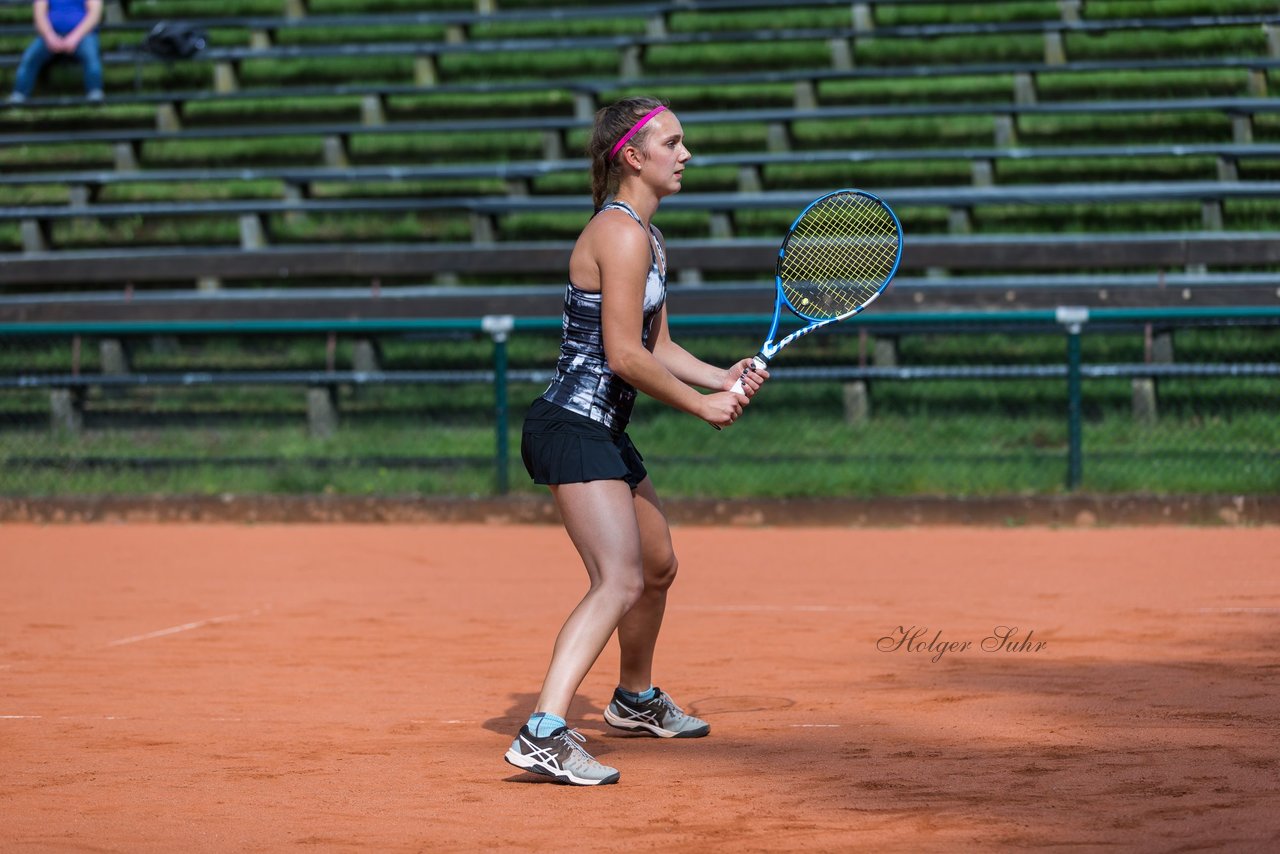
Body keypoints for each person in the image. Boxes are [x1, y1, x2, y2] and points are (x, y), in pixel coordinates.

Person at [502, 97, 769, 786]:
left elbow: (659, 345)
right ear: (634, 156)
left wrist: (722, 375)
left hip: (601, 428)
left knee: (656, 566)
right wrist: (701, 407)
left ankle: (633, 700)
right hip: (571, 425)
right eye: (673, 144)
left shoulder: (648, 238)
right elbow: (623, 356)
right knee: (617, 578)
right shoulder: (617, 234)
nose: (685, 156)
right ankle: (544, 730)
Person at [8, 0, 104, 104]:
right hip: (50, 36)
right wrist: (50, 37)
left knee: (91, 57)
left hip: (83, 36)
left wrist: (75, 37)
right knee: (30, 57)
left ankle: (95, 94)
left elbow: (94, 16)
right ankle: (19, 95)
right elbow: (39, 15)